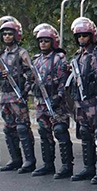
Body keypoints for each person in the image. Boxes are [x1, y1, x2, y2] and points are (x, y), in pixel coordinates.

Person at [68, 17, 97, 184]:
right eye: (79, 36)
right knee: (85, 134)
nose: (82, 38)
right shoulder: (78, 55)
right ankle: (89, 168)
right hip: (81, 101)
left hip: (95, 99)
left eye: (85, 35)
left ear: (92, 35)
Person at [30, 26, 71, 178]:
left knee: (60, 131)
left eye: (46, 41)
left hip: (55, 102)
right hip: (40, 102)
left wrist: (59, 97)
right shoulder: (36, 60)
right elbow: (31, 79)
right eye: (40, 41)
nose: (43, 44)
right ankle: (48, 164)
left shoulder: (59, 59)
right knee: (43, 132)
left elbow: (63, 80)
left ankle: (67, 166)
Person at [0, 21, 35, 173]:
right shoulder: (0, 56)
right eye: (5, 34)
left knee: (22, 128)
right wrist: (0, 75)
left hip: (18, 97)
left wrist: (24, 92)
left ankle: (29, 161)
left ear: (16, 35)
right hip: (5, 97)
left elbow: (31, 75)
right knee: (8, 129)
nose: (7, 36)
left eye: (10, 34)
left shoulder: (22, 53)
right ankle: (15, 159)